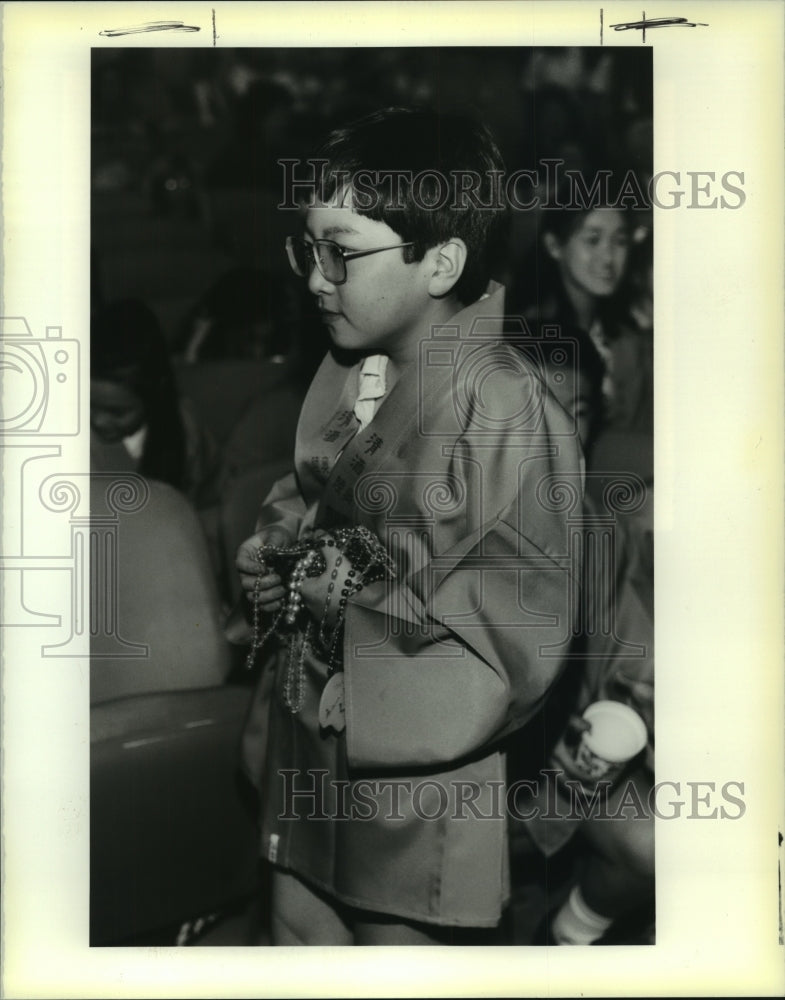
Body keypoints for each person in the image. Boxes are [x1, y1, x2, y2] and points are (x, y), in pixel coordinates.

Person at [235, 107, 585, 945]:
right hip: (308, 729)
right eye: (308, 249)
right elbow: (313, 499)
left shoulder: (503, 405)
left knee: (393, 952)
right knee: (297, 928)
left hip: (415, 761)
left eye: (342, 254)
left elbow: (512, 618)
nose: (316, 279)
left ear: (441, 262)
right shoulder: (358, 363)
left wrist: (351, 596)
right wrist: (276, 550)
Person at [511, 331, 654, 946]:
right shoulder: (447, 527)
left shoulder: (600, 528)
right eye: (543, 414)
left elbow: (629, 666)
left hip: (561, 769)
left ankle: (565, 938)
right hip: (439, 781)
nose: (563, 438)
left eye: (580, 415)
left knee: (656, 843)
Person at [90, 297, 222, 511]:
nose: (98, 420)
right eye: (87, 405)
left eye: (117, 412)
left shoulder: (185, 426)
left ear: (153, 395)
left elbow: (210, 502)